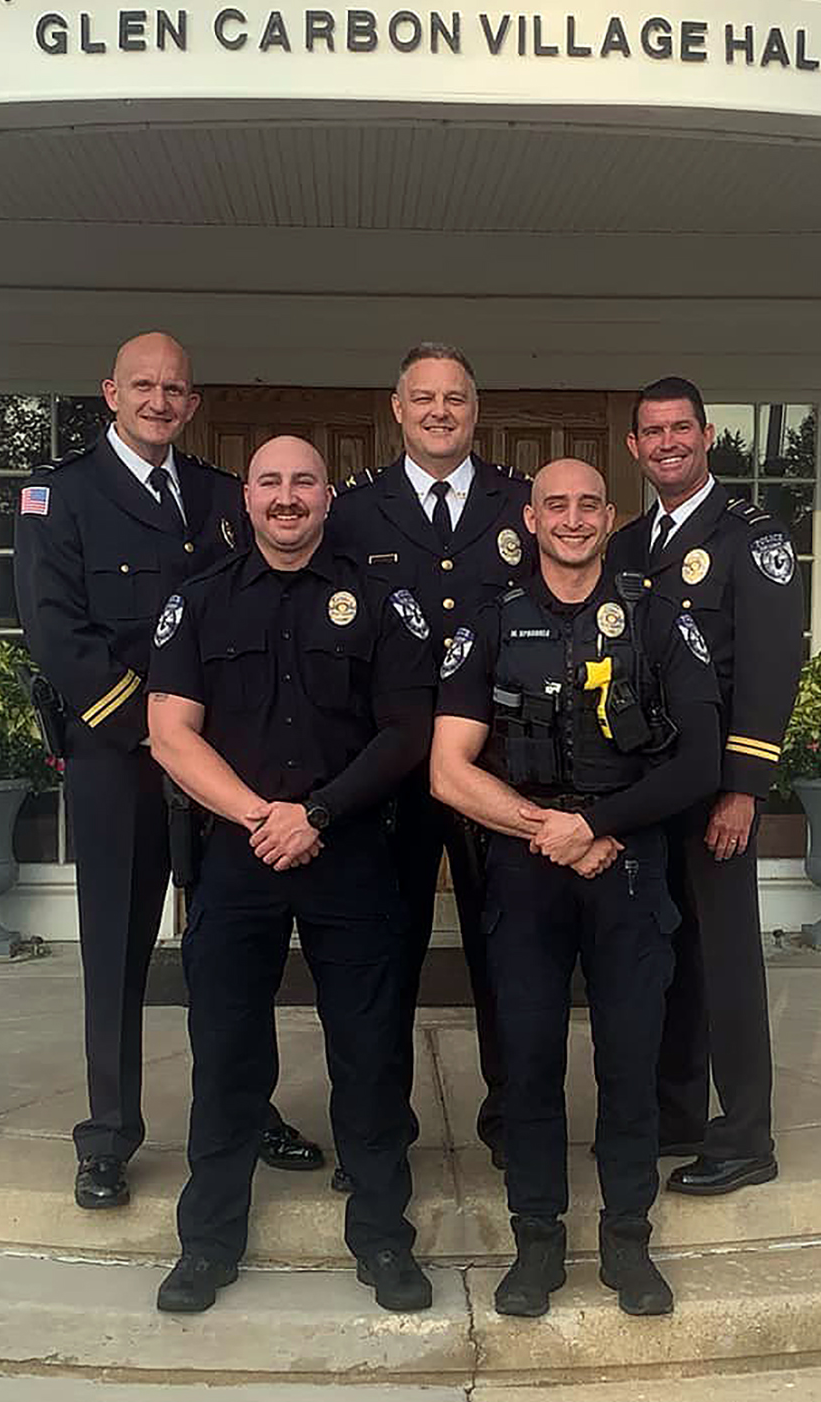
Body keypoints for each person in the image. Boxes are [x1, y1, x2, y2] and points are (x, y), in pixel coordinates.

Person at [14, 332, 321, 1213]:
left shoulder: (225, 497)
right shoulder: (59, 497)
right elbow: (54, 630)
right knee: (117, 949)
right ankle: (108, 1135)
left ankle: (244, 1107)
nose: (158, 400)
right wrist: (152, 732)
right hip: (121, 760)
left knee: (233, 947)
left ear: (191, 404)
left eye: (174, 389)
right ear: (111, 392)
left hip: (221, 766)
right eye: (142, 385)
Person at [147, 435, 436, 1315]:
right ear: (247, 498)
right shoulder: (197, 603)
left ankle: (384, 1238)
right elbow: (170, 731)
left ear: (325, 496)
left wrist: (315, 814)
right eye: (270, 482)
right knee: (227, 1050)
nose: (286, 497)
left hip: (349, 850)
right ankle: (208, 1242)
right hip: (239, 858)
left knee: (371, 1050)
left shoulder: (383, 602)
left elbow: (407, 731)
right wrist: (257, 816)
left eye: (302, 482)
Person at [431, 458, 721, 1317]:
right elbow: (449, 771)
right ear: (531, 516)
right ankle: (537, 1245)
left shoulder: (660, 620)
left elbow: (699, 762)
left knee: (630, 1066)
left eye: (588, 503)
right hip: (526, 874)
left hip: (627, 870)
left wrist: (597, 827)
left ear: (609, 514)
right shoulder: (491, 621)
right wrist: (547, 830)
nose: (571, 517)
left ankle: (628, 1243)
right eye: (555, 504)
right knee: (527, 1066)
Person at [329, 342, 533, 1180]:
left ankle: (515, 1118)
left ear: (474, 411)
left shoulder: (520, 503)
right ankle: (377, 1132)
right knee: (384, 956)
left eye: (455, 398)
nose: (440, 411)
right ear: (397, 408)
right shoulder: (352, 513)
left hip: (497, 767)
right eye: (425, 398)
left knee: (507, 951)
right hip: (393, 773)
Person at [607, 376, 804, 1196]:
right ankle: (678, 1110)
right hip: (650, 786)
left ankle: (747, 1133)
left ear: (708, 434)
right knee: (667, 955)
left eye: (680, 428)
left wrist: (745, 788)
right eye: (652, 432)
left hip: (717, 785)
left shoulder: (751, 535)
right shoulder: (624, 546)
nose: (667, 444)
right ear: (634, 447)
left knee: (725, 961)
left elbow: (769, 664)